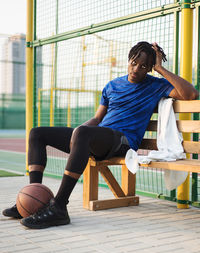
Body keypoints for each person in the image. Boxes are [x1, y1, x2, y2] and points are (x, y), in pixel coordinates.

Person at [2, 41, 198, 229]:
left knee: (84, 134)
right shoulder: (112, 85)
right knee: (38, 133)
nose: (136, 69)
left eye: (144, 66)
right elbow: (97, 119)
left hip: (123, 141)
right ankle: (32, 198)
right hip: (98, 137)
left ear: (150, 68)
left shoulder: (155, 85)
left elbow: (191, 94)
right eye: (134, 62)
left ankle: (59, 207)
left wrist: (161, 69)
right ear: (128, 60)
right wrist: (78, 133)